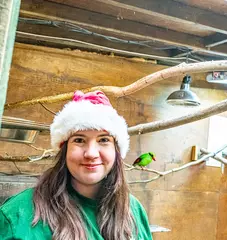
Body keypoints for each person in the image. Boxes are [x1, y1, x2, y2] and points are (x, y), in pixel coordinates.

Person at [0, 90, 153, 240]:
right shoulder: (17, 214)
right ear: (64, 149)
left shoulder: (133, 210)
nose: (91, 153)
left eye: (103, 140)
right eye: (79, 140)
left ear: (116, 150)